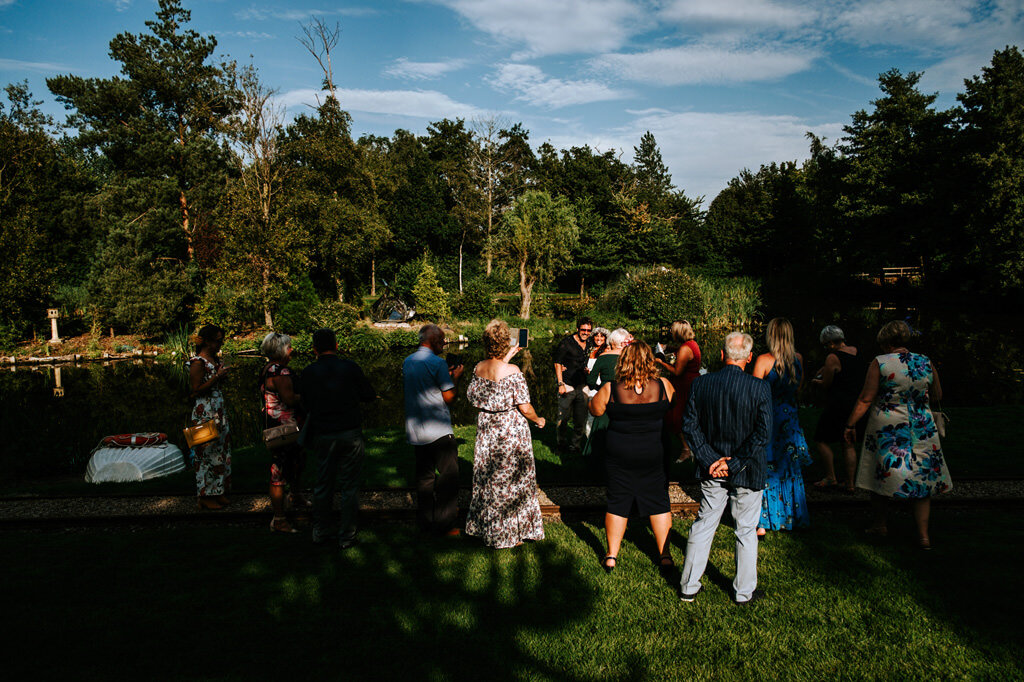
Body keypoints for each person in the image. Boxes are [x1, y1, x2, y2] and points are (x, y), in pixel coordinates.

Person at [678, 332, 772, 605]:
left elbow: (690, 426)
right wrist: (736, 462)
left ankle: (688, 586)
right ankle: (743, 593)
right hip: (747, 468)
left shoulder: (702, 384)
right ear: (750, 358)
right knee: (745, 529)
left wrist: (710, 459)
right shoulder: (759, 388)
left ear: (722, 355)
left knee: (705, 524)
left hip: (713, 469)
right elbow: (763, 434)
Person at [844, 320, 952, 549]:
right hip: (922, 426)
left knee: (881, 474)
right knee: (922, 478)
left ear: (885, 343)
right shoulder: (925, 362)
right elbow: (938, 394)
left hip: (889, 426)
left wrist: (851, 424)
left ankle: (880, 525)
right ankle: (924, 536)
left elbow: (866, 398)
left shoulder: (880, 362)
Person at [589, 341, 675, 573]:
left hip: (620, 453)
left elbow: (595, 410)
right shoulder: (664, 385)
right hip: (652, 452)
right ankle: (665, 555)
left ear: (623, 361)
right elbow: (672, 408)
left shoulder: (611, 388)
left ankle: (611, 555)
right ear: (649, 360)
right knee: (658, 501)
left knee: (618, 502)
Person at [464, 320, 546, 549]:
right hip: (510, 432)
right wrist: (538, 419)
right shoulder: (514, 372)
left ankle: (487, 528)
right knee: (512, 481)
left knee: (490, 480)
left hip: (488, 431)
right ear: (505, 341)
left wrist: (507, 357)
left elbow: (482, 392)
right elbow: (525, 407)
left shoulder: (479, 367)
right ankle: (511, 534)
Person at [300, 328, 377, 549]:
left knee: (323, 485)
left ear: (314, 349)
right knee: (349, 487)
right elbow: (369, 395)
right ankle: (347, 536)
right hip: (349, 432)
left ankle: (320, 531)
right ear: (336, 346)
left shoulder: (307, 372)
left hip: (323, 433)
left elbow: (304, 403)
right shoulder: (350, 368)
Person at [752, 318, 811, 535]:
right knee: (789, 467)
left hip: (769, 418)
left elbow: (753, 393)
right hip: (790, 417)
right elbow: (798, 389)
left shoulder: (763, 360)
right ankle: (791, 515)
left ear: (771, 335)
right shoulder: (798, 359)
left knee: (768, 467)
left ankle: (763, 522)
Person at [403, 323, 464, 536]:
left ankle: (426, 523)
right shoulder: (437, 363)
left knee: (424, 479)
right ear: (431, 341)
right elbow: (449, 398)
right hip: (437, 429)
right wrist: (455, 377)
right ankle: (445, 524)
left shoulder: (408, 361)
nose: (444, 343)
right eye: (441, 340)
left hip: (416, 429)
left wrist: (443, 376)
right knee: (448, 476)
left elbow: (423, 385)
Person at [259, 332, 307, 534]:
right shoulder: (280, 372)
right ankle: (278, 519)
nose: (292, 350)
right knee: (279, 470)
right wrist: (309, 395)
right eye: (289, 347)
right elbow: (290, 399)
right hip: (284, 429)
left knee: (295, 462)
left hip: (277, 425)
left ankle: (295, 496)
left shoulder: (267, 369)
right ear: (280, 350)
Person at [811, 325, 868, 492]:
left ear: (829, 343)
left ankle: (830, 477)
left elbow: (826, 384)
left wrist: (815, 381)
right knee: (848, 443)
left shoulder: (833, 357)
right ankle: (850, 483)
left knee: (820, 439)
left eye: (825, 345)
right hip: (856, 404)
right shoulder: (857, 352)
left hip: (838, 404)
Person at [187, 324, 232, 510]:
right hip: (203, 413)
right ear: (207, 341)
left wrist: (222, 376)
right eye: (218, 340)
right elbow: (195, 390)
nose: (220, 344)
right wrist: (217, 377)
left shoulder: (213, 359)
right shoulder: (198, 362)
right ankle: (204, 496)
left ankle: (218, 491)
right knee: (205, 454)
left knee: (220, 451)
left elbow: (215, 384)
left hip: (217, 411)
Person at [654, 320, 701, 461]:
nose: (670, 333)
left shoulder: (685, 349)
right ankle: (691, 448)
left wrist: (661, 363)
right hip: (691, 382)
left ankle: (686, 449)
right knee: (686, 415)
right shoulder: (692, 344)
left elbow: (677, 371)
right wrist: (668, 348)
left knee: (676, 416)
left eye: (672, 331)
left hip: (683, 385)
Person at [582, 327, 629, 458]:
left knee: (601, 426)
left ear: (612, 341)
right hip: (626, 394)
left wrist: (598, 385)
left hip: (605, 395)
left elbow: (591, 381)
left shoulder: (603, 357)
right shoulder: (629, 357)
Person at [554, 317, 592, 455]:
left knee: (580, 418)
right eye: (583, 330)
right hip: (567, 384)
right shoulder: (566, 343)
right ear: (577, 329)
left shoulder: (590, 343)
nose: (586, 333)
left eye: (588, 330)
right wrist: (560, 383)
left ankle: (575, 445)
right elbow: (557, 363)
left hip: (583, 385)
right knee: (563, 418)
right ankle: (561, 444)